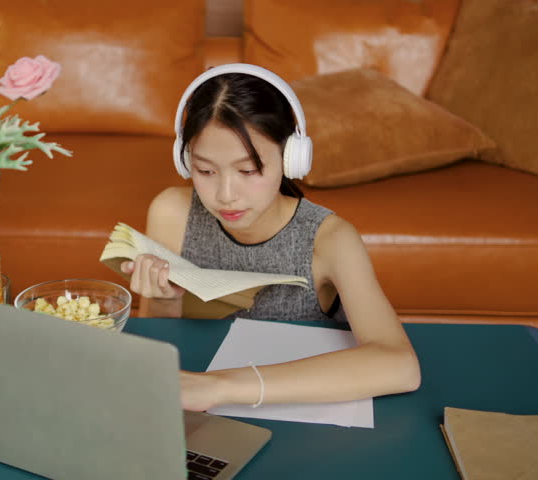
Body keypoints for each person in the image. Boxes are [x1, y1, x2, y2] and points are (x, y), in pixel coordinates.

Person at [120, 64, 421, 412]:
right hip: (202, 403)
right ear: (185, 161)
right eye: (205, 171)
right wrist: (166, 299)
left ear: (291, 158)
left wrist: (220, 387)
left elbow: (400, 365)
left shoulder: (330, 238)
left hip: (299, 410)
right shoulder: (171, 212)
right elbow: (165, 343)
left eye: (248, 170)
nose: (225, 194)